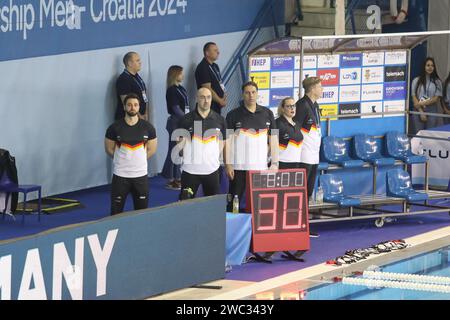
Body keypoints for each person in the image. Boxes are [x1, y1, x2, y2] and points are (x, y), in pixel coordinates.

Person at [225, 81, 278, 212]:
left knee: (260, 204)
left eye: (253, 92)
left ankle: (257, 230)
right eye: (247, 93)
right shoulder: (232, 115)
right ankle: (233, 231)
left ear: (257, 94)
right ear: (243, 95)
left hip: (260, 167)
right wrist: (228, 164)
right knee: (233, 205)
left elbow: (274, 139)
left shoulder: (268, 113)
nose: (251, 95)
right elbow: (228, 142)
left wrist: (275, 162)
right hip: (238, 168)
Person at [105, 93, 157, 215]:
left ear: (139, 107)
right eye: (129, 105)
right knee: (116, 214)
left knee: (142, 213)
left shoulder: (148, 128)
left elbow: (152, 149)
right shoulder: (114, 128)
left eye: (135, 105)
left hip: (141, 177)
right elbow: (109, 149)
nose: (132, 107)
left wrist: (138, 162)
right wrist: (122, 161)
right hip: (120, 177)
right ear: (124, 107)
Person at [176, 87, 226, 199]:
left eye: (208, 97)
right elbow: (179, 145)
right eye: (202, 97)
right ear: (197, 99)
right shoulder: (185, 120)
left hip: (212, 171)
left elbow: (222, 143)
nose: (206, 100)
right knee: (185, 206)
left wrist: (212, 158)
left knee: (211, 207)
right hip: (190, 172)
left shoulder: (220, 120)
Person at [294, 77, 323, 201]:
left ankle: (306, 214)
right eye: (320, 87)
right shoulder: (302, 105)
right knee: (302, 188)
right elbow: (295, 128)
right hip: (304, 154)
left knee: (309, 189)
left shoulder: (315, 105)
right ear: (312, 89)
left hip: (314, 153)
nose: (322, 89)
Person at [161, 65, 189, 190]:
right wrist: (187, 118)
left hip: (182, 121)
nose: (182, 75)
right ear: (175, 74)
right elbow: (175, 108)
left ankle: (176, 177)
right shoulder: (171, 90)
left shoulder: (181, 89)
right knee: (175, 151)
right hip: (176, 122)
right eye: (181, 73)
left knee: (179, 150)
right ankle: (173, 178)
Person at [411, 57, 443, 132]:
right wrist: (420, 111)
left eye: (432, 65)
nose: (430, 67)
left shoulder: (437, 81)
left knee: (430, 134)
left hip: (432, 111)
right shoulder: (416, 80)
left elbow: (436, 98)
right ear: (424, 67)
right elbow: (413, 96)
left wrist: (422, 103)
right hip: (418, 110)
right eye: (428, 65)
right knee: (419, 134)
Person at [115, 52, 149, 121]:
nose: (140, 63)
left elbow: (144, 96)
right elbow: (126, 101)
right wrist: (139, 116)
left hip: (141, 117)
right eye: (137, 60)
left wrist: (145, 113)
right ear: (129, 63)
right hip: (129, 120)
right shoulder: (123, 79)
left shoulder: (137, 77)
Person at [195, 42, 227, 114]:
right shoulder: (203, 67)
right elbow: (207, 89)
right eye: (215, 50)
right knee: (199, 124)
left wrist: (223, 97)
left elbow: (219, 83)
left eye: (217, 50)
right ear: (207, 53)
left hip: (216, 105)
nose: (218, 52)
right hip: (206, 106)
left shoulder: (215, 66)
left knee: (215, 124)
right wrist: (220, 100)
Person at [276, 97, 303, 169]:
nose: (292, 108)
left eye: (293, 105)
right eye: (288, 106)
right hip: (282, 163)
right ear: (282, 109)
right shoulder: (276, 123)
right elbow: (271, 143)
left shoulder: (297, 124)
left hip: (297, 162)